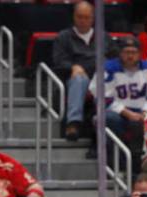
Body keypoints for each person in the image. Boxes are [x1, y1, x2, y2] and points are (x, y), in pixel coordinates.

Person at [52, 1, 112, 141]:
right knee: (79, 78)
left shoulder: (104, 37)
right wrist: (73, 66)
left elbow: (114, 57)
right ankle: (73, 123)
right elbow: (59, 61)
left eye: (87, 17)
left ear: (93, 18)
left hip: (101, 76)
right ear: (74, 17)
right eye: (80, 17)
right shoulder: (64, 37)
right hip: (75, 79)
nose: (83, 21)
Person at [93, 36, 147, 146]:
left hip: (142, 111)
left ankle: (138, 156)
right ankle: (117, 153)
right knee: (109, 118)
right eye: (126, 52)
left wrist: (146, 111)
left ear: (139, 53)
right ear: (120, 53)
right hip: (117, 113)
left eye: (133, 52)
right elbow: (102, 97)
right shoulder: (108, 68)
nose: (130, 56)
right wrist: (127, 113)